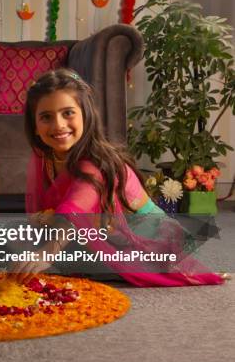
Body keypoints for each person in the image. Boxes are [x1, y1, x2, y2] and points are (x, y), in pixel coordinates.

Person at [16, 68, 225, 286]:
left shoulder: (95, 163)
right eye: (46, 117)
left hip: (146, 240)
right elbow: (47, 212)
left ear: (86, 115)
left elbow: (76, 208)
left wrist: (46, 253)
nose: (58, 125)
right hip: (104, 231)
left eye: (68, 113)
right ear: (35, 127)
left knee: (62, 263)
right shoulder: (46, 157)